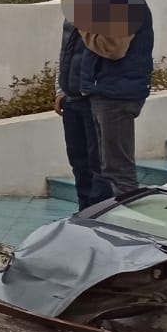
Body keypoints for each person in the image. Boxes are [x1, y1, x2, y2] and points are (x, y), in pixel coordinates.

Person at [72, 0, 154, 202]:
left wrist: (83, 26)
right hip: (107, 90)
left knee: (118, 170)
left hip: (116, 95)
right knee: (109, 167)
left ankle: (132, 228)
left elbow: (113, 48)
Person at [55, 16, 108, 209]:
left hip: (95, 100)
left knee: (98, 163)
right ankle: (84, 210)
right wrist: (60, 89)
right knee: (78, 161)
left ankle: (99, 215)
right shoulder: (72, 14)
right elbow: (65, 53)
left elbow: (114, 54)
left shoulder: (111, 13)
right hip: (71, 99)